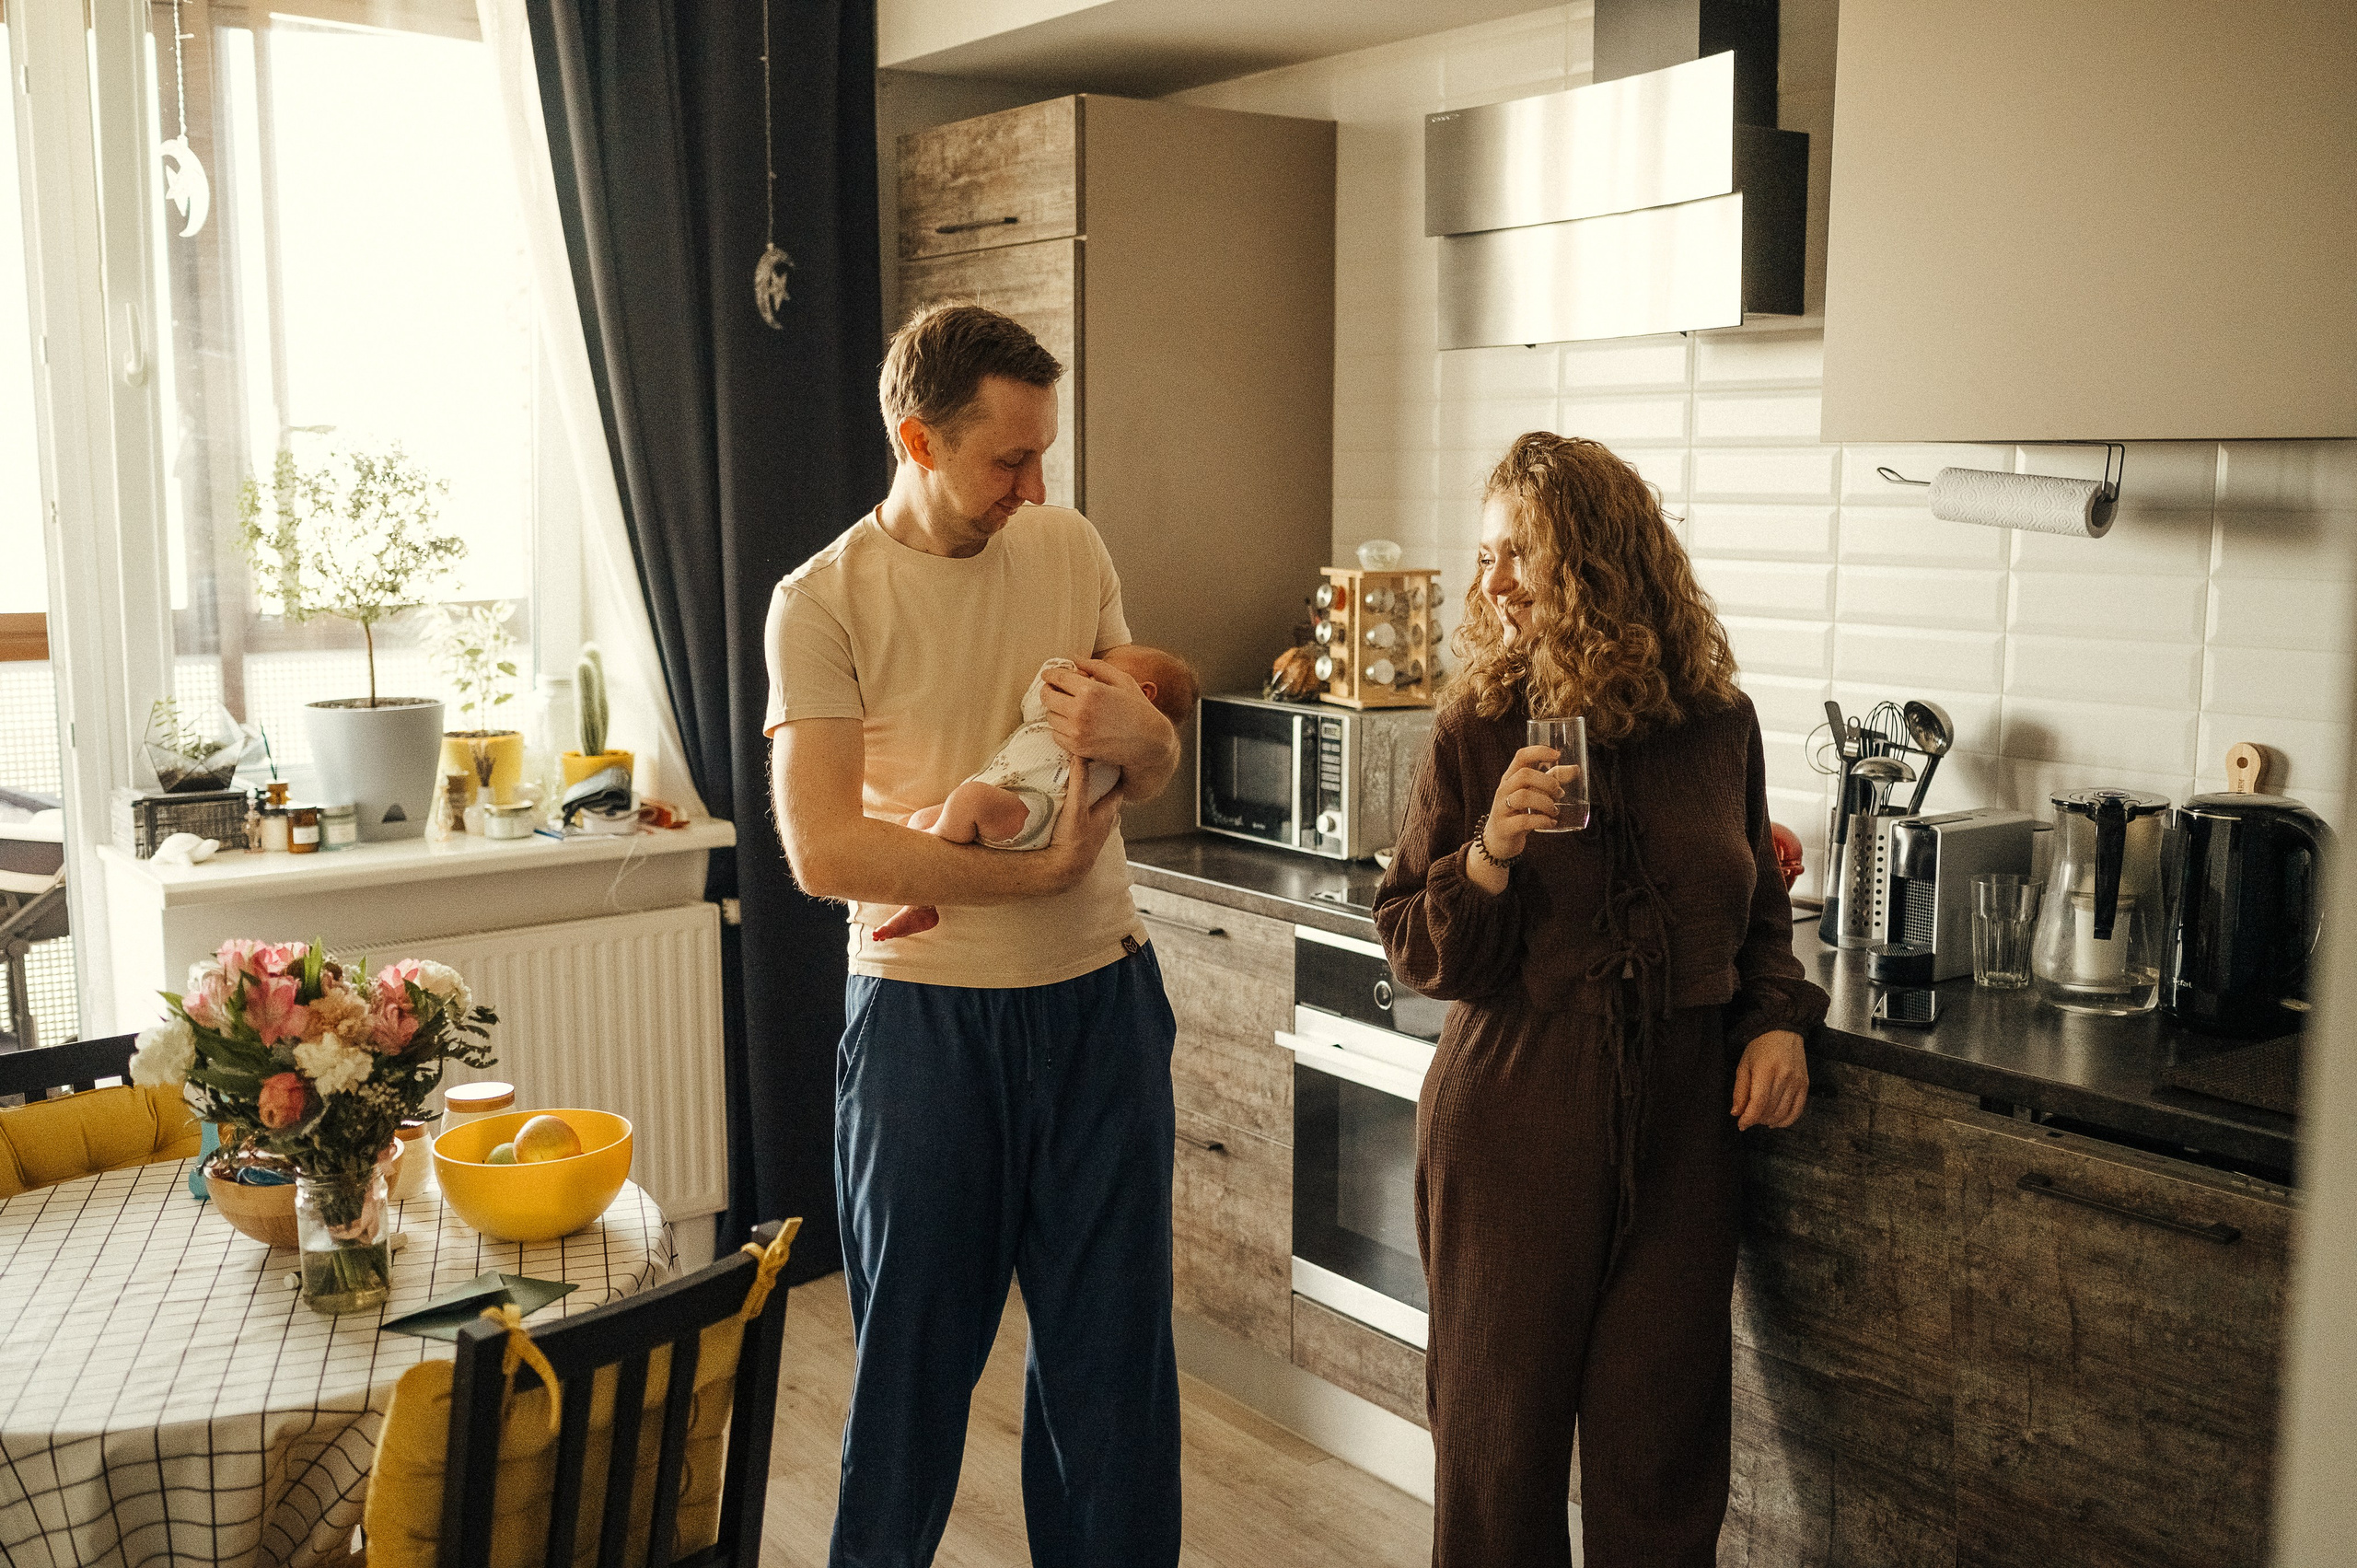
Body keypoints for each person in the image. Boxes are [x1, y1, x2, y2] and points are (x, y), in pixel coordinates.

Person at [765, 303, 1188, 1568]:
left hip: (1102, 1008)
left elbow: (1144, 736)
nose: (1038, 485)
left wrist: (1154, 741)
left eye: (1044, 453)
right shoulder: (821, 602)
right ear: (919, 438)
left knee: (1114, 1383)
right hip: (925, 1026)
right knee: (910, 1372)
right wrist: (1041, 867)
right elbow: (824, 851)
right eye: (1010, 459)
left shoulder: (1068, 542)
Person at [1373, 432, 1829, 1567]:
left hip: (1683, 1117)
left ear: (1597, 558)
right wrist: (1486, 853)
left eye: (1516, 554)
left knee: (1663, 1453)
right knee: (1498, 1451)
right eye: (1484, 558)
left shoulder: (1718, 723)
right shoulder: (1478, 726)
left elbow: (1759, 904)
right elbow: (1410, 945)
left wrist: (1774, 1013)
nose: (1492, 584)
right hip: (1516, 1105)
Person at [874, 645, 1198, 940]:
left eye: (1103, 668)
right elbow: (1033, 707)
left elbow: (1142, 779)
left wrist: (1146, 736)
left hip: (1036, 812)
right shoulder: (1070, 717)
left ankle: (929, 882)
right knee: (921, 820)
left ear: (1144, 695)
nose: (1089, 669)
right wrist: (1054, 674)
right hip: (1010, 797)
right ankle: (920, 903)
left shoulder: (1110, 747)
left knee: (968, 800)